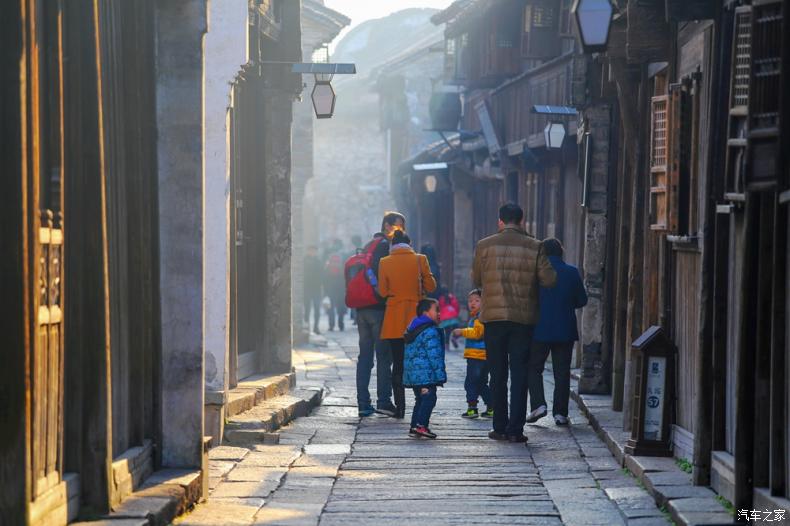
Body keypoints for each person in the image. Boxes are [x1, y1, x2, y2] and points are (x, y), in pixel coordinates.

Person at [472, 203, 556, 443]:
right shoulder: (535, 246)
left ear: (500, 221)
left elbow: (477, 279)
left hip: (493, 318)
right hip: (523, 319)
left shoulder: (484, 245)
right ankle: (515, 430)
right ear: (522, 220)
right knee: (519, 373)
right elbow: (549, 280)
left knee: (497, 373)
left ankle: (499, 426)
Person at [527, 238, 588, 426]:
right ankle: (560, 413)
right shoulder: (572, 272)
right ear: (561, 251)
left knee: (533, 367)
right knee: (562, 372)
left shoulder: (535, 273)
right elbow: (582, 300)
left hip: (539, 328)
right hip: (565, 328)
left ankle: (538, 404)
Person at [378, 230, 437, 419]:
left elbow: (382, 291)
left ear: (392, 245)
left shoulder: (384, 262)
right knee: (418, 361)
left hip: (394, 318)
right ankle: (420, 403)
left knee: (398, 363)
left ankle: (400, 408)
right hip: (416, 319)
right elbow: (431, 286)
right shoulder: (420, 259)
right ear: (410, 244)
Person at [351, 213, 405, 418]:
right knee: (384, 356)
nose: (401, 231)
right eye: (398, 227)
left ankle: (363, 403)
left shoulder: (368, 245)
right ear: (387, 226)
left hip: (362, 309)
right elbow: (384, 277)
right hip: (378, 308)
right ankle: (384, 401)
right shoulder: (385, 247)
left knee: (365, 357)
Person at [403, 298, 447, 439]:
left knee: (420, 400)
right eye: (436, 310)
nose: (439, 313)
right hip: (426, 374)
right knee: (429, 399)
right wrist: (440, 375)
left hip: (415, 374)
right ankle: (421, 426)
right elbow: (434, 355)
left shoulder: (413, 327)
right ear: (426, 312)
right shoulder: (430, 330)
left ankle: (414, 426)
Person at [453, 289, 493, 419]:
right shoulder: (479, 317)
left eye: (477, 300)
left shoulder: (479, 318)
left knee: (471, 382)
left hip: (477, 356)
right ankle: (491, 407)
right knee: (481, 383)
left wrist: (462, 332)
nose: (472, 303)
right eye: (470, 301)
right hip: (483, 356)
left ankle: (472, 408)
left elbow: (477, 333)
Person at [324, 240, 347, 331]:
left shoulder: (328, 257)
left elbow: (325, 274)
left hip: (330, 285)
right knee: (341, 306)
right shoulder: (344, 257)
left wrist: (325, 288)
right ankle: (341, 324)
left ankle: (331, 325)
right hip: (341, 285)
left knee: (331, 306)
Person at [303, 245, 324, 334]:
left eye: (314, 251)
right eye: (311, 250)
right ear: (308, 251)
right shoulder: (304, 261)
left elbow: (322, 275)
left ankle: (316, 327)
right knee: (307, 309)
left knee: (317, 309)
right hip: (307, 288)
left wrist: (322, 286)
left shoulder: (318, 261)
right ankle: (306, 327)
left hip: (316, 289)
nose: (312, 252)